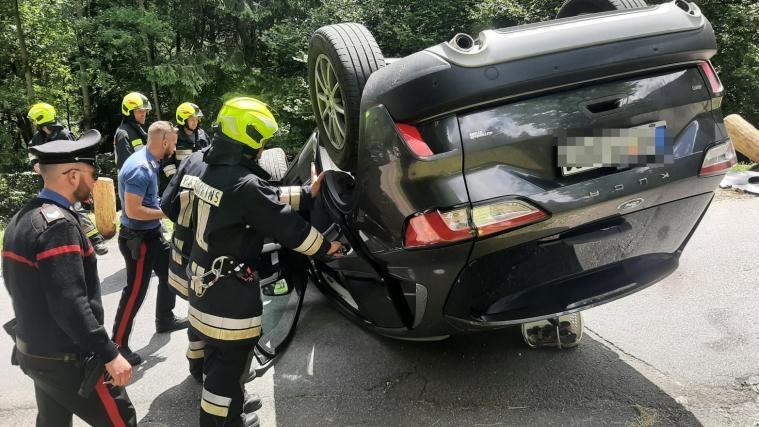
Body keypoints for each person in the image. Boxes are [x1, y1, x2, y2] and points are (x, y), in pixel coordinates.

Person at [186, 97, 343, 427]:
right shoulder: (243, 184)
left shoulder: (212, 171)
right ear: (247, 141)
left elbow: (257, 200)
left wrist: (304, 192)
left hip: (204, 289)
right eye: (260, 142)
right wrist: (328, 248)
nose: (262, 149)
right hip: (228, 300)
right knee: (225, 373)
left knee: (219, 366)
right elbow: (287, 227)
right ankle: (222, 422)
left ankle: (233, 408)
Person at [1, 132, 136, 426]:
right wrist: (109, 353)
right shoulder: (57, 226)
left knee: (52, 422)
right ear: (73, 175)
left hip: (36, 352)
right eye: (92, 173)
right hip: (67, 359)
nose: (95, 181)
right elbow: (70, 303)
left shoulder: (22, 217)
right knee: (121, 420)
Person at [112, 121, 188, 367]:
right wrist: (166, 213)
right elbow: (133, 211)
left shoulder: (149, 159)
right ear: (164, 142)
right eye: (174, 144)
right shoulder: (140, 168)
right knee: (134, 293)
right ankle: (118, 345)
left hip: (152, 235)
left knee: (170, 274)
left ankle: (164, 318)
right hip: (139, 240)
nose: (175, 149)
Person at [27, 102, 109, 255]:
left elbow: (77, 158)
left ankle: (96, 240)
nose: (33, 123)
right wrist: (35, 163)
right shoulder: (38, 137)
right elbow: (32, 152)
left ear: (41, 117)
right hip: (46, 182)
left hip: (67, 180)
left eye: (34, 119)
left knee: (74, 209)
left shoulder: (65, 135)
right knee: (50, 213)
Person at [161, 102, 210, 180]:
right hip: (180, 183)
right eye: (192, 119)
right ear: (182, 119)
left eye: (197, 119)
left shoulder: (203, 136)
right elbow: (168, 165)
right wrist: (176, 182)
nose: (195, 122)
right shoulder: (172, 137)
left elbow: (209, 157)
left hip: (201, 182)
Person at [114, 92, 151, 170]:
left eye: (145, 110)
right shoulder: (123, 133)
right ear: (129, 112)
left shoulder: (138, 131)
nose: (143, 114)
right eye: (139, 111)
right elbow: (127, 166)